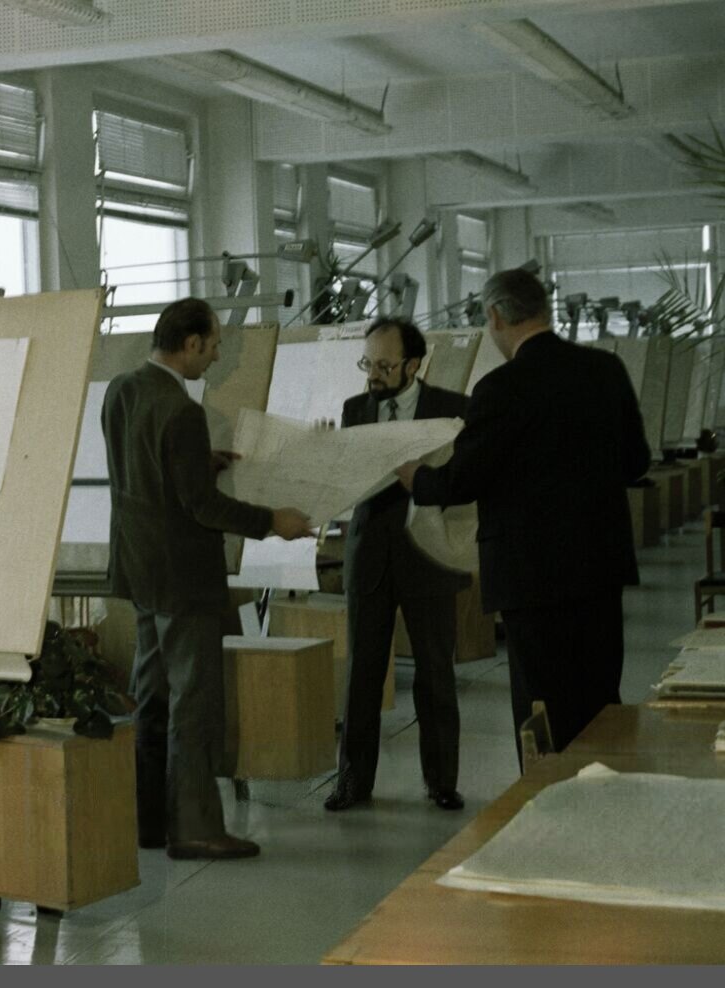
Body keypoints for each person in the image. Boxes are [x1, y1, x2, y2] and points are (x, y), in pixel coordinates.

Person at [396, 270, 651, 759]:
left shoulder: (500, 388)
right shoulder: (604, 370)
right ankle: (607, 788)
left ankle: (547, 797)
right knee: (601, 702)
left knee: (542, 709)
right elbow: (636, 462)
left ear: (495, 316)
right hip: (600, 564)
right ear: (544, 308)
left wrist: (418, 478)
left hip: (530, 575)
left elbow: (463, 479)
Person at [103, 297, 310, 860]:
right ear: (191, 343)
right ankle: (195, 829)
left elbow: (141, 471)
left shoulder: (121, 390)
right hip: (185, 580)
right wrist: (273, 522)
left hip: (140, 571)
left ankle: (149, 823)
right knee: (193, 706)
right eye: (214, 346)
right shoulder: (182, 411)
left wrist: (200, 461)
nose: (217, 357)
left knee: (152, 698)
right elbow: (202, 507)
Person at [325, 318, 468, 813]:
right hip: (369, 555)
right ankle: (352, 782)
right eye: (368, 363)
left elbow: (464, 480)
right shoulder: (355, 410)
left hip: (429, 554)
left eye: (385, 365)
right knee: (362, 674)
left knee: (435, 673)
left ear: (413, 365)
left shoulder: (452, 409)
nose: (374, 374)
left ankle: (442, 781)